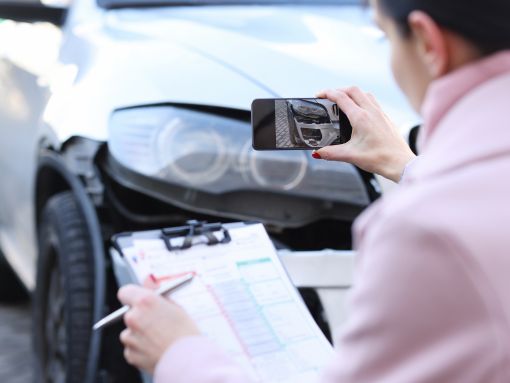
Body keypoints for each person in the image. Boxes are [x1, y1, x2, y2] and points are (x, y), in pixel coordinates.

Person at [117, 0, 510, 381]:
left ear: (427, 42)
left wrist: (179, 354)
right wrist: (404, 166)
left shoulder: (423, 232)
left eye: (383, 36)